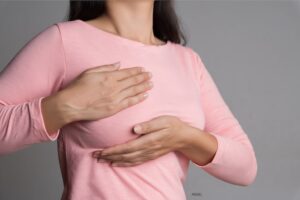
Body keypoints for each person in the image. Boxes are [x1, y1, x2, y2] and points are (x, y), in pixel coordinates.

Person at [0, 0, 257, 199]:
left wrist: (184, 137)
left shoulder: (187, 61)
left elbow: (245, 167)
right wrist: (63, 107)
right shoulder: (64, 41)